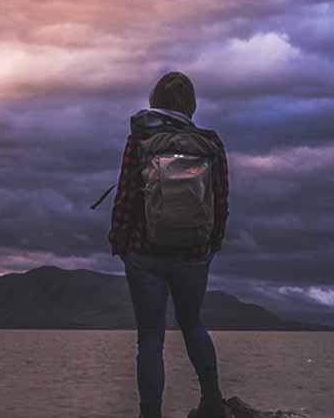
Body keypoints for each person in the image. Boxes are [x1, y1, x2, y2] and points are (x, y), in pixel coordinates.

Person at [108, 72, 230, 418]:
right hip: (194, 253)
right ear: (191, 104)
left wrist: (120, 242)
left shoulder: (141, 140)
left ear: (155, 101)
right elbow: (221, 198)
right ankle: (212, 402)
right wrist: (212, 244)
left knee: (150, 337)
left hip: (144, 253)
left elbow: (126, 195)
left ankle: (151, 413)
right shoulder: (210, 143)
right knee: (193, 325)